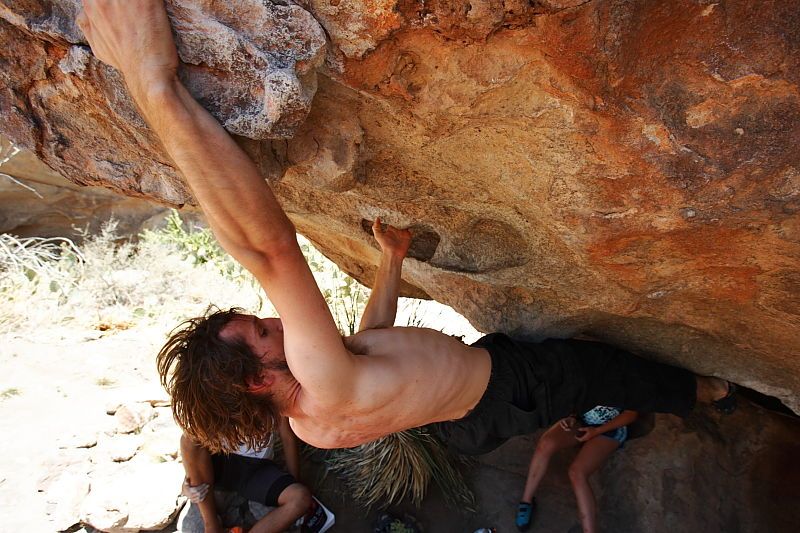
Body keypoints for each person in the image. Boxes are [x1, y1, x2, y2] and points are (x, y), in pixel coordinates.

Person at [78, 1, 736, 456]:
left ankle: (679, 395)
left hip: (465, 421)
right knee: (605, 371)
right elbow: (266, 248)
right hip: (513, 384)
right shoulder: (319, 375)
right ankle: (711, 391)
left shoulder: (315, 421)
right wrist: (151, 81)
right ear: (256, 377)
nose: (273, 323)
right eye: (260, 332)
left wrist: (390, 261)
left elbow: (372, 349)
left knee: (574, 376)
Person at [178, 416, 313, 533]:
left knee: (300, 498)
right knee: (189, 438)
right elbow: (194, 447)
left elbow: (287, 437)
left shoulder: (271, 392)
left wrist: (294, 480)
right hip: (220, 462)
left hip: (256, 469)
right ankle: (212, 527)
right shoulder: (216, 394)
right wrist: (188, 482)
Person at [515, 407, 638, 533]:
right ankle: (526, 501)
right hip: (581, 420)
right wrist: (572, 416)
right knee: (546, 443)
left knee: (577, 473)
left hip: (610, 428)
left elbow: (631, 414)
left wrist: (596, 431)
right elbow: (574, 394)